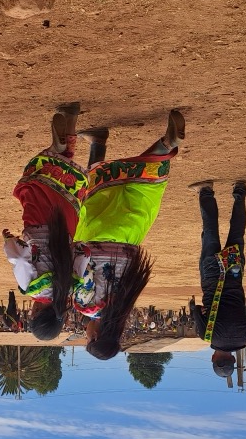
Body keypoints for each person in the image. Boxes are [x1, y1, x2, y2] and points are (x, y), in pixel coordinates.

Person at [73, 110, 184, 359]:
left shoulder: (124, 306)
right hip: (96, 232)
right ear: (96, 336)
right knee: (94, 185)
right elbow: (83, 272)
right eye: (87, 338)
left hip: (130, 235)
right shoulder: (87, 306)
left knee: (138, 183)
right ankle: (97, 143)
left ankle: (165, 145)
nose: (85, 332)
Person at [3, 103, 88, 341]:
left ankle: (71, 121)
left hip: (68, 225)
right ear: (36, 313)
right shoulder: (32, 288)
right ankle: (57, 145)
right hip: (38, 222)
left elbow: (84, 253)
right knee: (34, 180)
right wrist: (10, 241)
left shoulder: (70, 287)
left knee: (63, 180)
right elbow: (19, 257)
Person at [188, 179, 246, 378]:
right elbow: (196, 310)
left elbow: (244, 312)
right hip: (212, 277)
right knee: (210, 234)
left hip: (234, 276)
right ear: (213, 358)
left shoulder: (245, 337)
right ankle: (206, 191)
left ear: (233, 359)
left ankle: (240, 193)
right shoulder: (207, 336)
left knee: (237, 234)